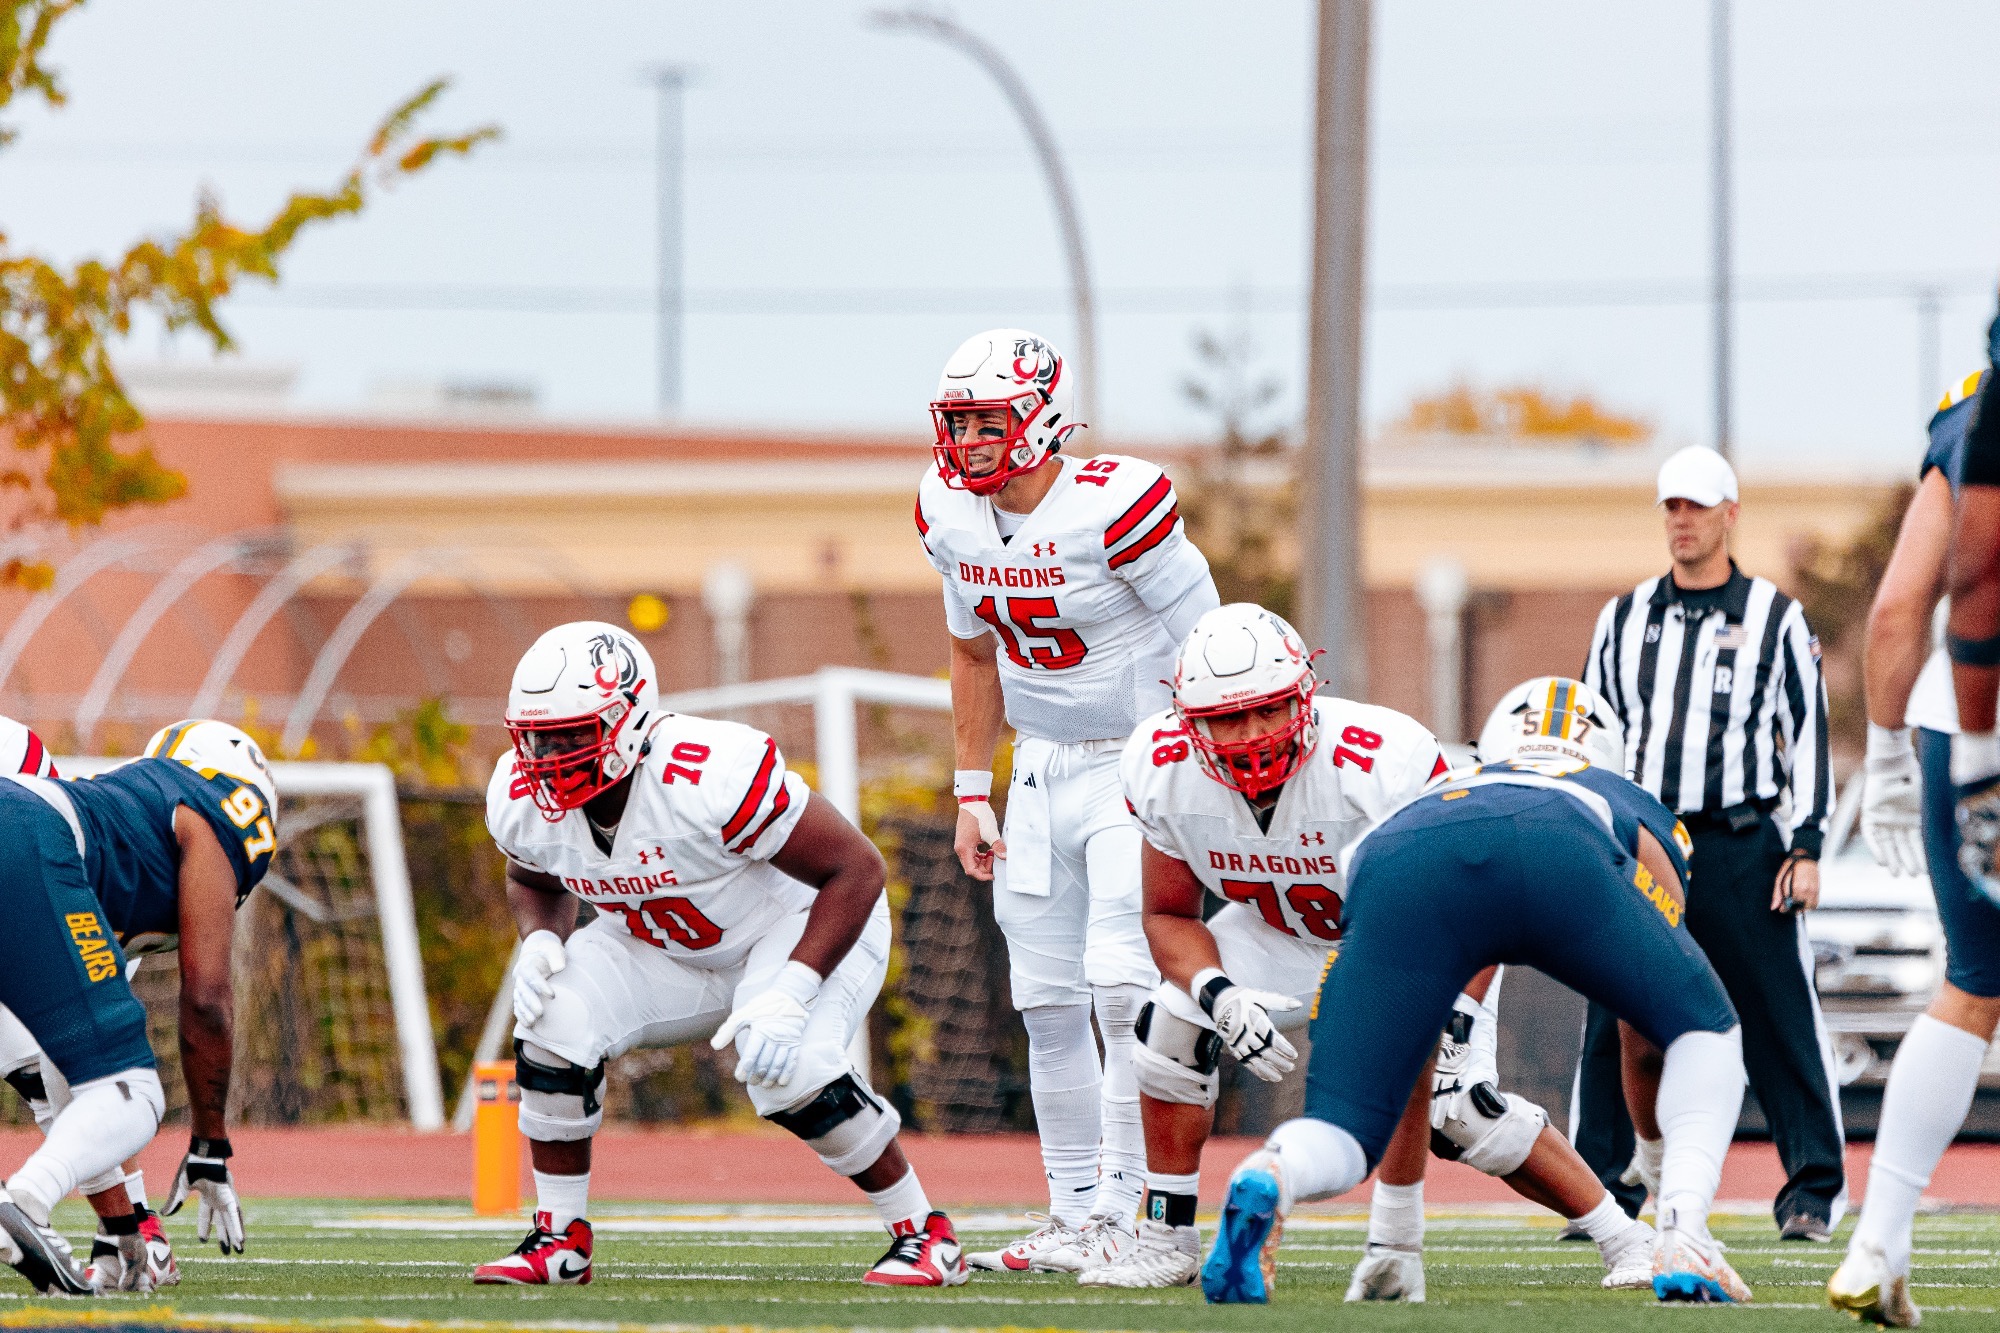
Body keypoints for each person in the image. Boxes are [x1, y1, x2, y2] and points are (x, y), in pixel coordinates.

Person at [1080, 613, 1655, 1296]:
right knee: (1169, 1020)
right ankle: (1165, 1238)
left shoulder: (1384, 761)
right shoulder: (1161, 766)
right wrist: (1218, 993)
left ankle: (1626, 1237)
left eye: (1269, 710)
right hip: (1279, 933)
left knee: (1454, 1109)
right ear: (1187, 719)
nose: (1252, 735)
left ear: (1306, 693)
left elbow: (1475, 894)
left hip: (1416, 936)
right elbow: (1169, 914)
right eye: (1226, 719)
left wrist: (1458, 1011)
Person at [1201, 678, 1752, 1307]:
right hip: (1559, 840)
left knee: (1344, 1127)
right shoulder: (1627, 799)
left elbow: (1417, 1051)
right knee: (1708, 1029)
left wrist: (1395, 1242)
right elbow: (1652, 1039)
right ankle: (1686, 1233)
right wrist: (1660, 1169)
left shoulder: (1442, 785)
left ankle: (1276, 1171)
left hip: (1395, 853)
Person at [478, 622, 965, 1289]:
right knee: (553, 1017)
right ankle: (560, 1240)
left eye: (570, 736)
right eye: (537, 737)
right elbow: (533, 877)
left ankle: (925, 1233)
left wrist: (792, 989)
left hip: (794, 928)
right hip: (665, 949)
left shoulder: (707, 774)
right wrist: (541, 939)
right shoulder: (522, 798)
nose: (546, 757)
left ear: (626, 721)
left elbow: (857, 869)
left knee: (790, 1071)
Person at [916, 328, 1219, 1270]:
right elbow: (973, 654)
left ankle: (1129, 1210)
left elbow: (1211, 638)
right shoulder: (946, 513)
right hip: (1041, 767)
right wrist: (973, 790)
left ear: (1045, 419)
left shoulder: (1116, 505)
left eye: (989, 421)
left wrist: (1201, 772)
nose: (969, 441)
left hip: (1138, 760)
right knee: (1046, 1000)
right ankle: (1073, 1208)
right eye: (959, 421)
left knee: (1123, 986)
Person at [1577, 444, 1844, 1241]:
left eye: (1696, 505)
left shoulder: (1774, 616)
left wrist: (1807, 844)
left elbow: (1809, 731)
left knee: (1778, 1015)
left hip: (1738, 842)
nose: (1682, 519)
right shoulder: (1624, 618)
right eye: (1672, 505)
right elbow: (1594, 728)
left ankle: (1812, 1189)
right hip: (1644, 836)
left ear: (1731, 513)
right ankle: (1602, 1189)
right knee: (1613, 1014)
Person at [1826, 369, 1996, 1327]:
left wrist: (1888, 756)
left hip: (1958, 724)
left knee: (1972, 984)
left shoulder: (1971, 419)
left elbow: (1898, 609)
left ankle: (1879, 1241)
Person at [0, 717, 276, 1294]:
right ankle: (24, 1201)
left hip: (24, 841)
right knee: (137, 1094)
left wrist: (122, 1231)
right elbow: (206, 1000)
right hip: (23, 834)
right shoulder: (223, 806)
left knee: (74, 1074)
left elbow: (69, 1073)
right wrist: (209, 1144)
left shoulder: (129, 813)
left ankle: (115, 1234)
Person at [0, 721, 177, 1292]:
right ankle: (120, 1228)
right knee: (86, 1076)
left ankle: (131, 1228)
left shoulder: (13, 749)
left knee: (64, 1073)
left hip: (44, 902)